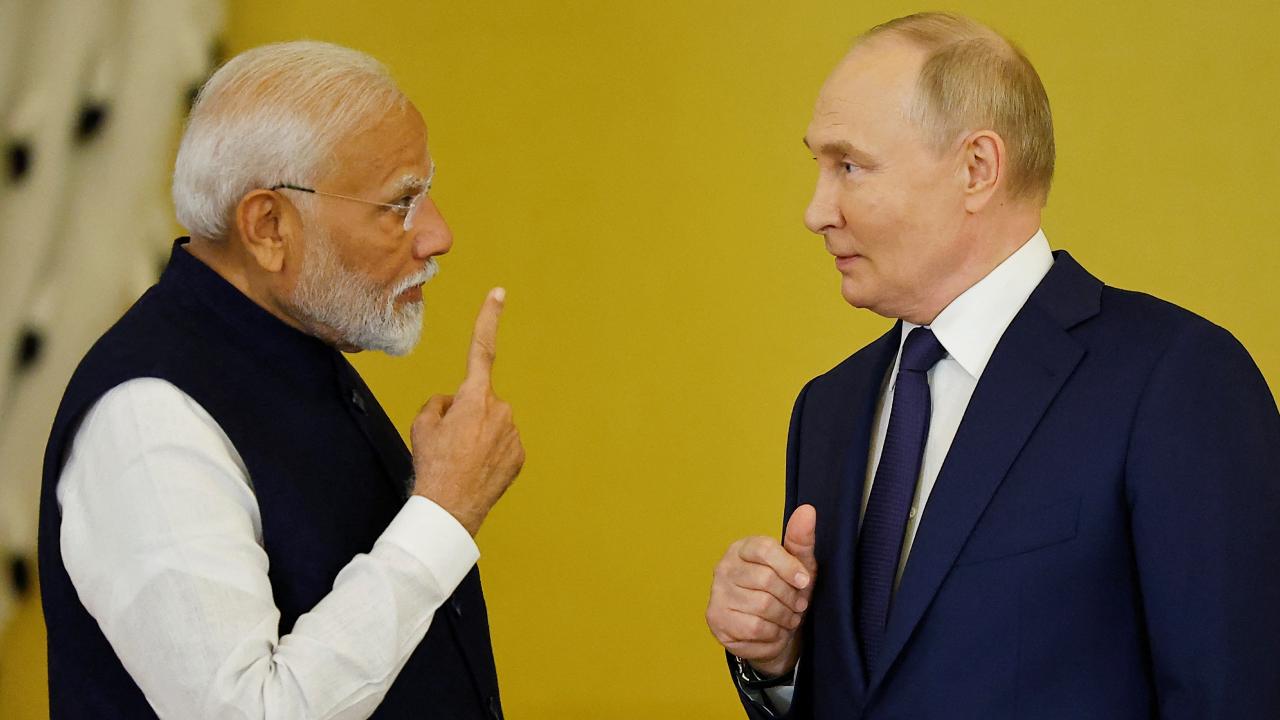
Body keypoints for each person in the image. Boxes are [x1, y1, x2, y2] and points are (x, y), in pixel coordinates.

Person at [705, 12, 1280, 719]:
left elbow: (1233, 692)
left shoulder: (1177, 379)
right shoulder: (828, 408)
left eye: (849, 166)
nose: (816, 211)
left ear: (976, 169)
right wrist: (777, 663)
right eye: (818, 168)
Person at [38, 41, 523, 719]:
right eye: (400, 203)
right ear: (268, 226)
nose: (437, 235)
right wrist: (442, 512)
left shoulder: (293, 346)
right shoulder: (148, 418)